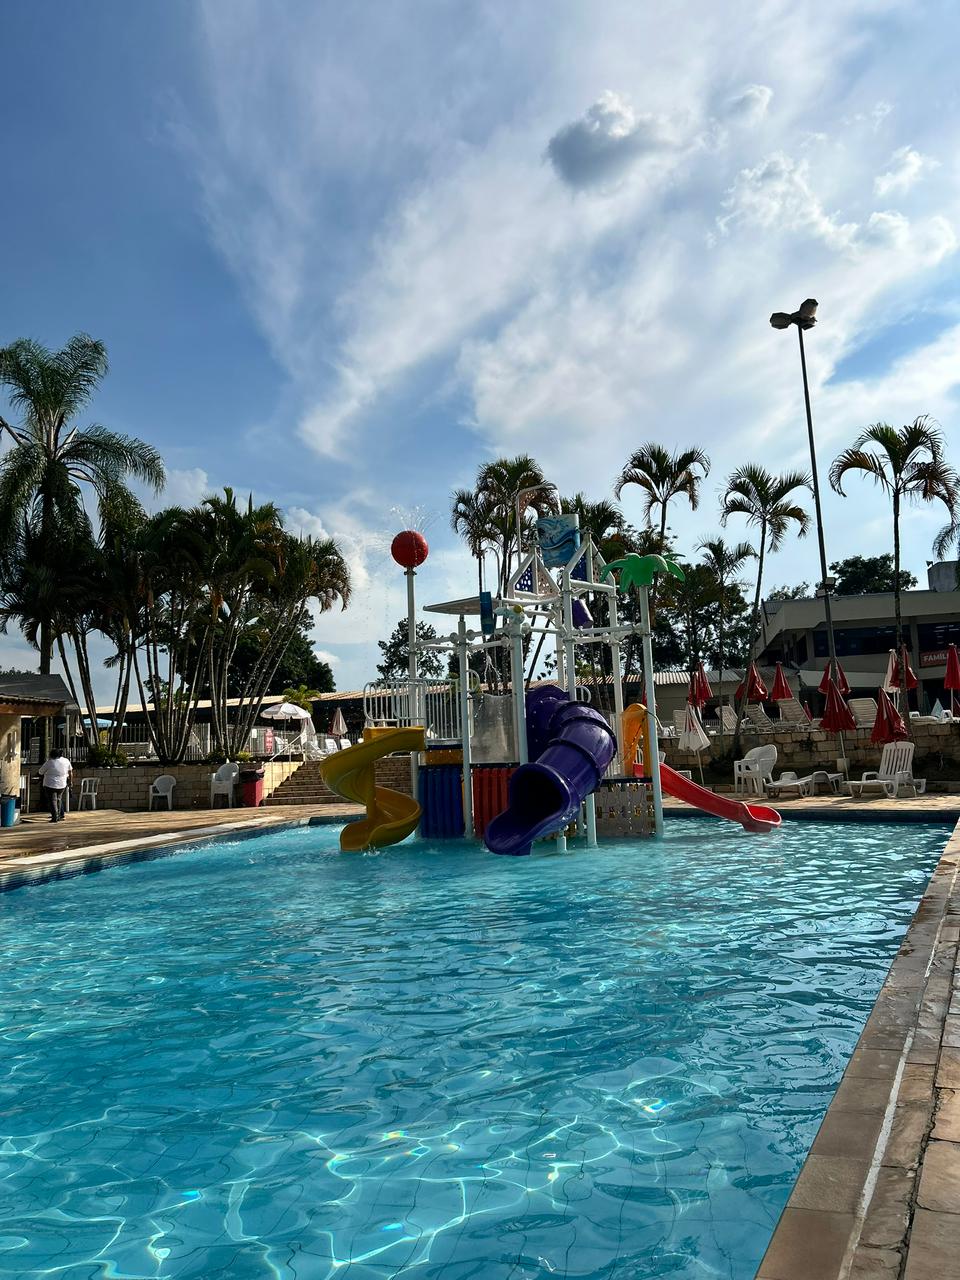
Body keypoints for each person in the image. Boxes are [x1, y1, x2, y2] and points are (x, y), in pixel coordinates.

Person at [38, 748, 72, 822]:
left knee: (52, 800)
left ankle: (55, 817)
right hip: (62, 783)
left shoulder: (49, 762)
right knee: (59, 799)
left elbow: (40, 772)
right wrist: (70, 782)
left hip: (50, 784)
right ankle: (59, 815)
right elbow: (70, 771)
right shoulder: (66, 761)